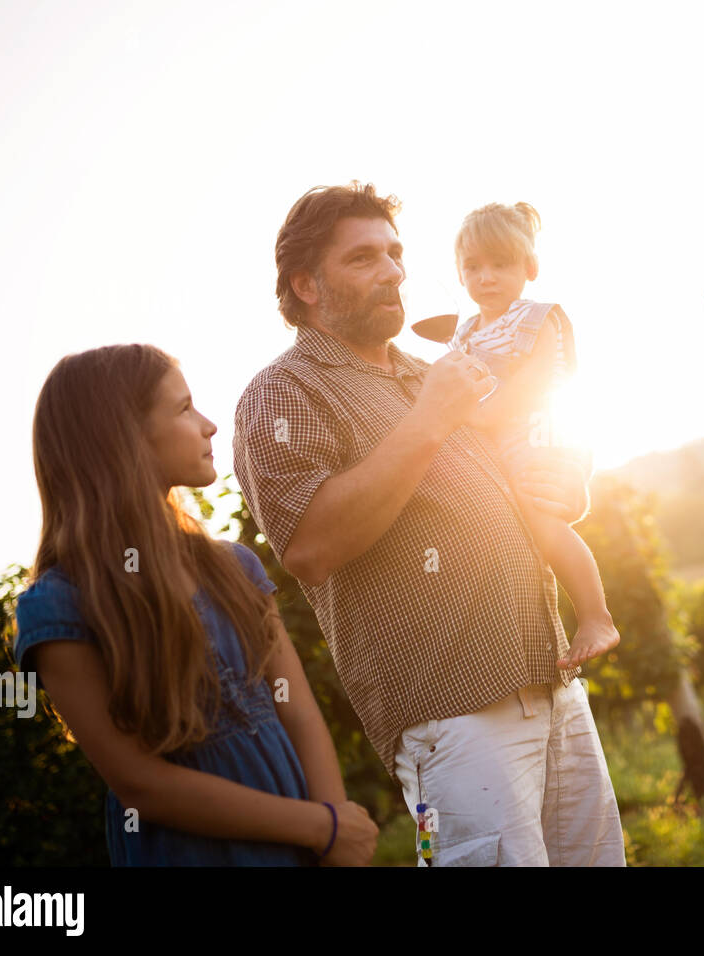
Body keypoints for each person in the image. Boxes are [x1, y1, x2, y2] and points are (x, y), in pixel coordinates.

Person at [232, 182, 626, 866]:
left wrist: (566, 488)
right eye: (362, 259)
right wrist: (431, 418)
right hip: (453, 720)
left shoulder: (430, 372)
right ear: (306, 285)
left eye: (395, 254)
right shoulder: (282, 392)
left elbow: (523, 460)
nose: (392, 271)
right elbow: (311, 548)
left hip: (554, 684)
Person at [13, 345, 377, 866]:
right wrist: (320, 825)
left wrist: (335, 830)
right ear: (123, 439)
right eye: (184, 409)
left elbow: (296, 712)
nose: (208, 425)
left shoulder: (235, 569)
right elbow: (141, 784)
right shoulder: (60, 606)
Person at [452, 201, 620, 668]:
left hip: (539, 432)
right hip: (496, 444)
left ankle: (595, 615)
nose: (486, 276)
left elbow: (536, 382)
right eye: (473, 266)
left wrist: (478, 417)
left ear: (529, 267)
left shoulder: (537, 317)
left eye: (500, 264)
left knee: (542, 517)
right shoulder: (465, 332)